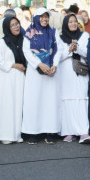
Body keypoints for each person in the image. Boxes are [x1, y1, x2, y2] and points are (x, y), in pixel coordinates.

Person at [22, 8, 60, 143]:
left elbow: (58, 49)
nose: (44, 19)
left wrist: (54, 64)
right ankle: (33, 133)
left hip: (50, 72)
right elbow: (26, 51)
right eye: (42, 17)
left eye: (46, 17)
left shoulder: (53, 32)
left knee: (49, 103)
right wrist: (39, 64)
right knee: (34, 101)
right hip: (35, 73)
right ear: (36, 18)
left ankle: (49, 131)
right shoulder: (29, 32)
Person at [56, 14, 90, 142]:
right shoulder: (59, 38)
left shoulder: (84, 36)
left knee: (81, 99)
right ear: (65, 24)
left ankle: (83, 132)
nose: (73, 24)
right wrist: (69, 50)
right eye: (70, 22)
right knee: (67, 100)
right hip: (65, 73)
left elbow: (88, 53)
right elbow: (58, 57)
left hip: (80, 72)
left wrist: (77, 49)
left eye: (75, 21)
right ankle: (69, 131)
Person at [0, 17, 27, 144]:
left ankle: (17, 133)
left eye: (17, 24)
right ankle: (5, 134)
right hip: (6, 78)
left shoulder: (23, 40)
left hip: (19, 77)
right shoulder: (3, 41)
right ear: (7, 27)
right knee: (7, 104)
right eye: (12, 25)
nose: (16, 27)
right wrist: (14, 65)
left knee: (18, 104)